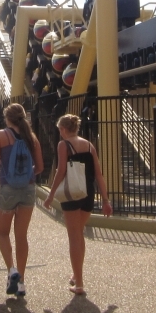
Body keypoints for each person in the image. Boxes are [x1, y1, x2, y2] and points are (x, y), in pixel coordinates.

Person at [43, 114, 113, 295]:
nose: (60, 133)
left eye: (60, 130)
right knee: (79, 234)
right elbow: (98, 174)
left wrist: (51, 195)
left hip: (72, 193)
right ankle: (76, 274)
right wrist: (105, 200)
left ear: (64, 129)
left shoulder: (63, 145)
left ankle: (79, 283)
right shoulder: (89, 145)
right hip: (88, 192)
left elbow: (61, 172)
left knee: (74, 236)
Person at [0, 103, 43, 298]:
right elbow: (40, 167)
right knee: (22, 236)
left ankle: (11, 270)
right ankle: (21, 282)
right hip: (28, 189)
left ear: (7, 118)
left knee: (3, 233)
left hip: (7, 189)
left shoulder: (0, 136)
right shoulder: (32, 138)